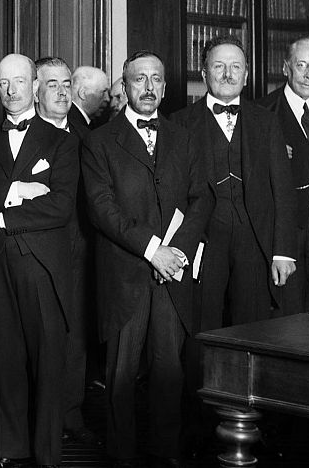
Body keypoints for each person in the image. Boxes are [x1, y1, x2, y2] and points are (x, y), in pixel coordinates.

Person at [81, 50, 213, 468]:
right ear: (124, 86)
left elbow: (201, 198)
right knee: (120, 375)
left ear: (165, 87)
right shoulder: (99, 141)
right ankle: (122, 456)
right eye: (140, 79)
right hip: (127, 275)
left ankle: (166, 451)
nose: (149, 87)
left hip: (173, 274)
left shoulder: (184, 136)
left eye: (156, 79)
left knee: (169, 371)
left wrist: (176, 254)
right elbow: (102, 209)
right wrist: (153, 250)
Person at [0, 53, 79, 468]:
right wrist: (20, 190)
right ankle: (11, 448)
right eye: (3, 83)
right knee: (6, 360)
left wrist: (1, 213)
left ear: (35, 85)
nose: (11, 90)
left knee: (49, 361)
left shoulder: (62, 142)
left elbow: (62, 207)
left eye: (19, 81)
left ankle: (47, 454)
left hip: (42, 266)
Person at [172, 35, 296, 329]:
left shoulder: (266, 121)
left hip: (254, 240)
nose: (228, 75)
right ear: (204, 74)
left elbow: (283, 190)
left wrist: (283, 251)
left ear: (246, 74)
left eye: (235, 67)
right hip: (203, 241)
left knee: (254, 327)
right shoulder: (179, 123)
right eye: (219, 67)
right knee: (201, 326)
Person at [34, 57, 101, 448]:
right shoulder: (23, 132)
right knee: (44, 335)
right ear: (36, 92)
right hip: (39, 249)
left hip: (81, 246)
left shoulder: (86, 131)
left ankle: (70, 413)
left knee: (76, 331)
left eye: (66, 85)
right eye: (52, 85)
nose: (62, 93)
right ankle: (40, 417)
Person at [258, 37, 309, 311]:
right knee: (284, 311)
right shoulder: (261, 112)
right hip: (283, 226)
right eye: (301, 65)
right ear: (286, 68)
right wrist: (265, 155)